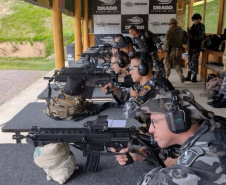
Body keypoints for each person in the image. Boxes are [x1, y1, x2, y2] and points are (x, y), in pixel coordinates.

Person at [112, 89, 226, 184]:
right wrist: (143, 154)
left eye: (154, 122)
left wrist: (168, 166)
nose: (150, 130)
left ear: (177, 121)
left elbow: (154, 181)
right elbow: (175, 152)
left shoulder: (201, 160)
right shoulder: (214, 127)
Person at [123, 52, 174, 119]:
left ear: (142, 68)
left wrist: (132, 97)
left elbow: (128, 113)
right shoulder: (151, 81)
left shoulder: (152, 88)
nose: (130, 72)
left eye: (132, 68)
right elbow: (125, 94)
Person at [160, 18, 185, 83]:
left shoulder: (170, 31)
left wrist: (164, 49)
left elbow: (167, 41)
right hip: (179, 50)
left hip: (172, 50)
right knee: (176, 63)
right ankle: (180, 74)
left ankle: (166, 78)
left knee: (167, 62)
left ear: (171, 24)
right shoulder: (181, 30)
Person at [185, 13, 205, 83]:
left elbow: (200, 37)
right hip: (191, 46)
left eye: (197, 19)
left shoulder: (201, 26)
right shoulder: (192, 26)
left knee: (195, 61)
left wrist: (192, 37)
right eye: (195, 19)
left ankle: (194, 76)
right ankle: (189, 75)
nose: (196, 21)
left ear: (199, 19)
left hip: (197, 46)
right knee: (190, 61)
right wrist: (188, 44)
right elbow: (188, 37)